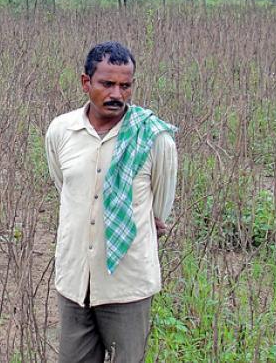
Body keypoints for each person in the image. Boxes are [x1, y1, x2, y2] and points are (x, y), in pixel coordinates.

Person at [45, 41, 178, 362]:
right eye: (107, 84)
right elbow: (65, 187)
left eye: (125, 85)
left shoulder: (154, 138)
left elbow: (159, 209)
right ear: (86, 82)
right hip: (75, 281)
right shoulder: (62, 131)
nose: (117, 94)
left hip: (127, 284)